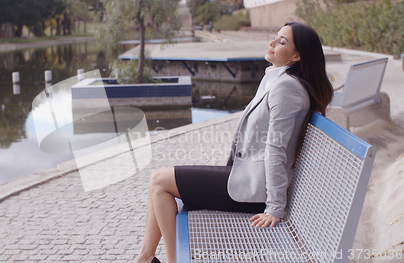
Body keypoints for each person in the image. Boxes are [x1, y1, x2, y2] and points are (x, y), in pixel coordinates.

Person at [135, 22, 334, 263]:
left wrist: (274, 207)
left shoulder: (286, 88)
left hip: (253, 191)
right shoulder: (276, 80)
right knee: (158, 180)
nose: (272, 43)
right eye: (275, 37)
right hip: (243, 176)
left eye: (282, 42)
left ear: (297, 55)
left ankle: (165, 261)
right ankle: (145, 258)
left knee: (159, 181)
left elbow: (276, 149)